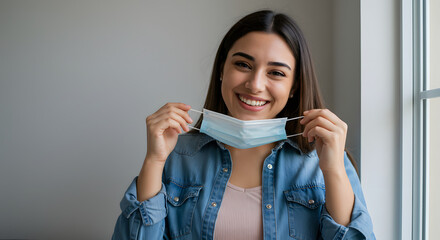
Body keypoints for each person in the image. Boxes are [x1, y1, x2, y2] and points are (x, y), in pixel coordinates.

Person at [111, 10, 375, 240]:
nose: (255, 84)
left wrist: (333, 170)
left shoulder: (326, 160)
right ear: (222, 69)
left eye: (276, 73)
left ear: (294, 86)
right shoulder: (175, 155)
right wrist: (154, 161)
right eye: (243, 64)